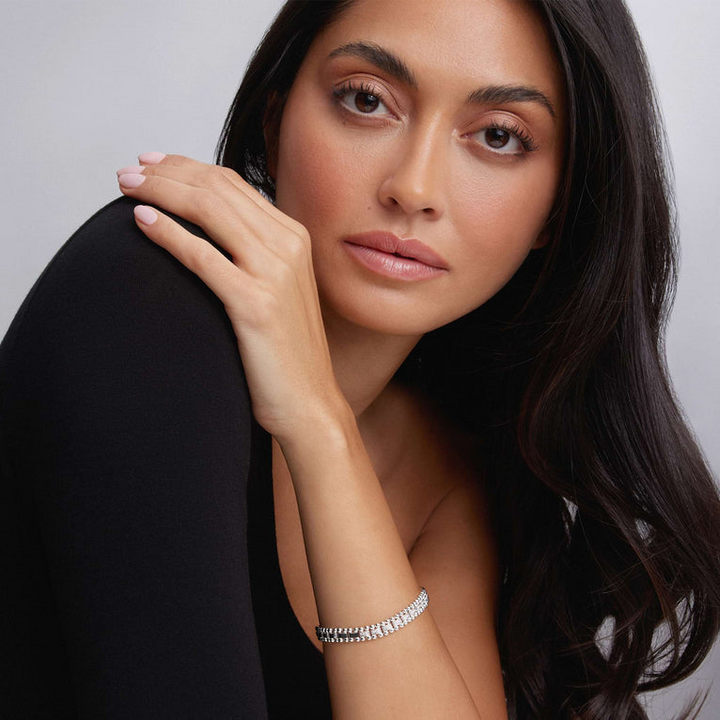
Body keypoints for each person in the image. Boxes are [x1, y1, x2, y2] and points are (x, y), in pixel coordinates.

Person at [1, 0, 719, 717]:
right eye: (367, 100)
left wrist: (321, 431)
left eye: (498, 136)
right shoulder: (145, 296)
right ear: (274, 116)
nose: (413, 188)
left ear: (558, 210)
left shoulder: (443, 461)